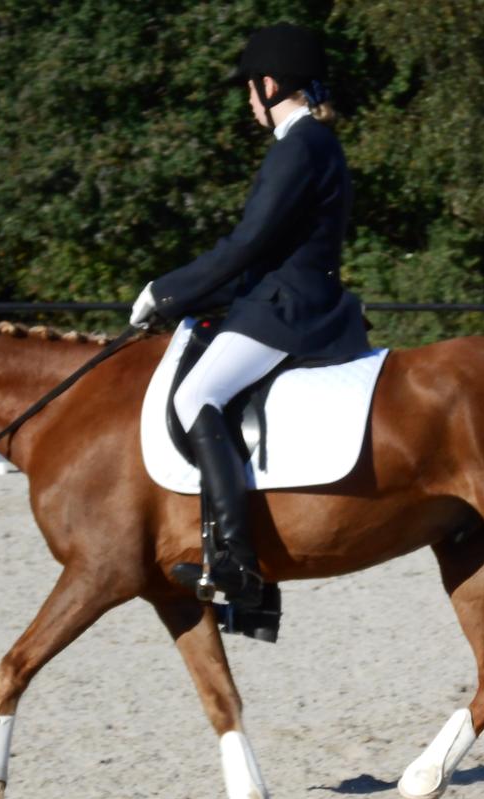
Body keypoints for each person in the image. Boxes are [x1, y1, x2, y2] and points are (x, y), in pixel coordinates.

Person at [128, 22, 370, 607]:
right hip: (287, 298)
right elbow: (261, 250)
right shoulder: (313, 141)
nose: (248, 102)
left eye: (249, 90)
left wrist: (164, 292)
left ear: (269, 84)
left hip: (289, 310)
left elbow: (247, 243)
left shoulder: (299, 144)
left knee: (193, 399)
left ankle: (235, 561)